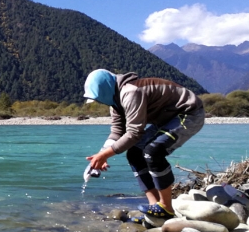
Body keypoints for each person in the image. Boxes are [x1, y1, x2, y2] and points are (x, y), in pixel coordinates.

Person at [84, 69, 205, 219]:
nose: (98, 101)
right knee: (134, 153)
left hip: (189, 114)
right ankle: (155, 205)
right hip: (166, 120)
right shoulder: (115, 103)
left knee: (154, 151)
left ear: (104, 89)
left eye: (98, 97)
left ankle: (167, 208)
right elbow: (117, 131)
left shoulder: (130, 92)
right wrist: (101, 155)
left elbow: (134, 133)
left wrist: (105, 154)